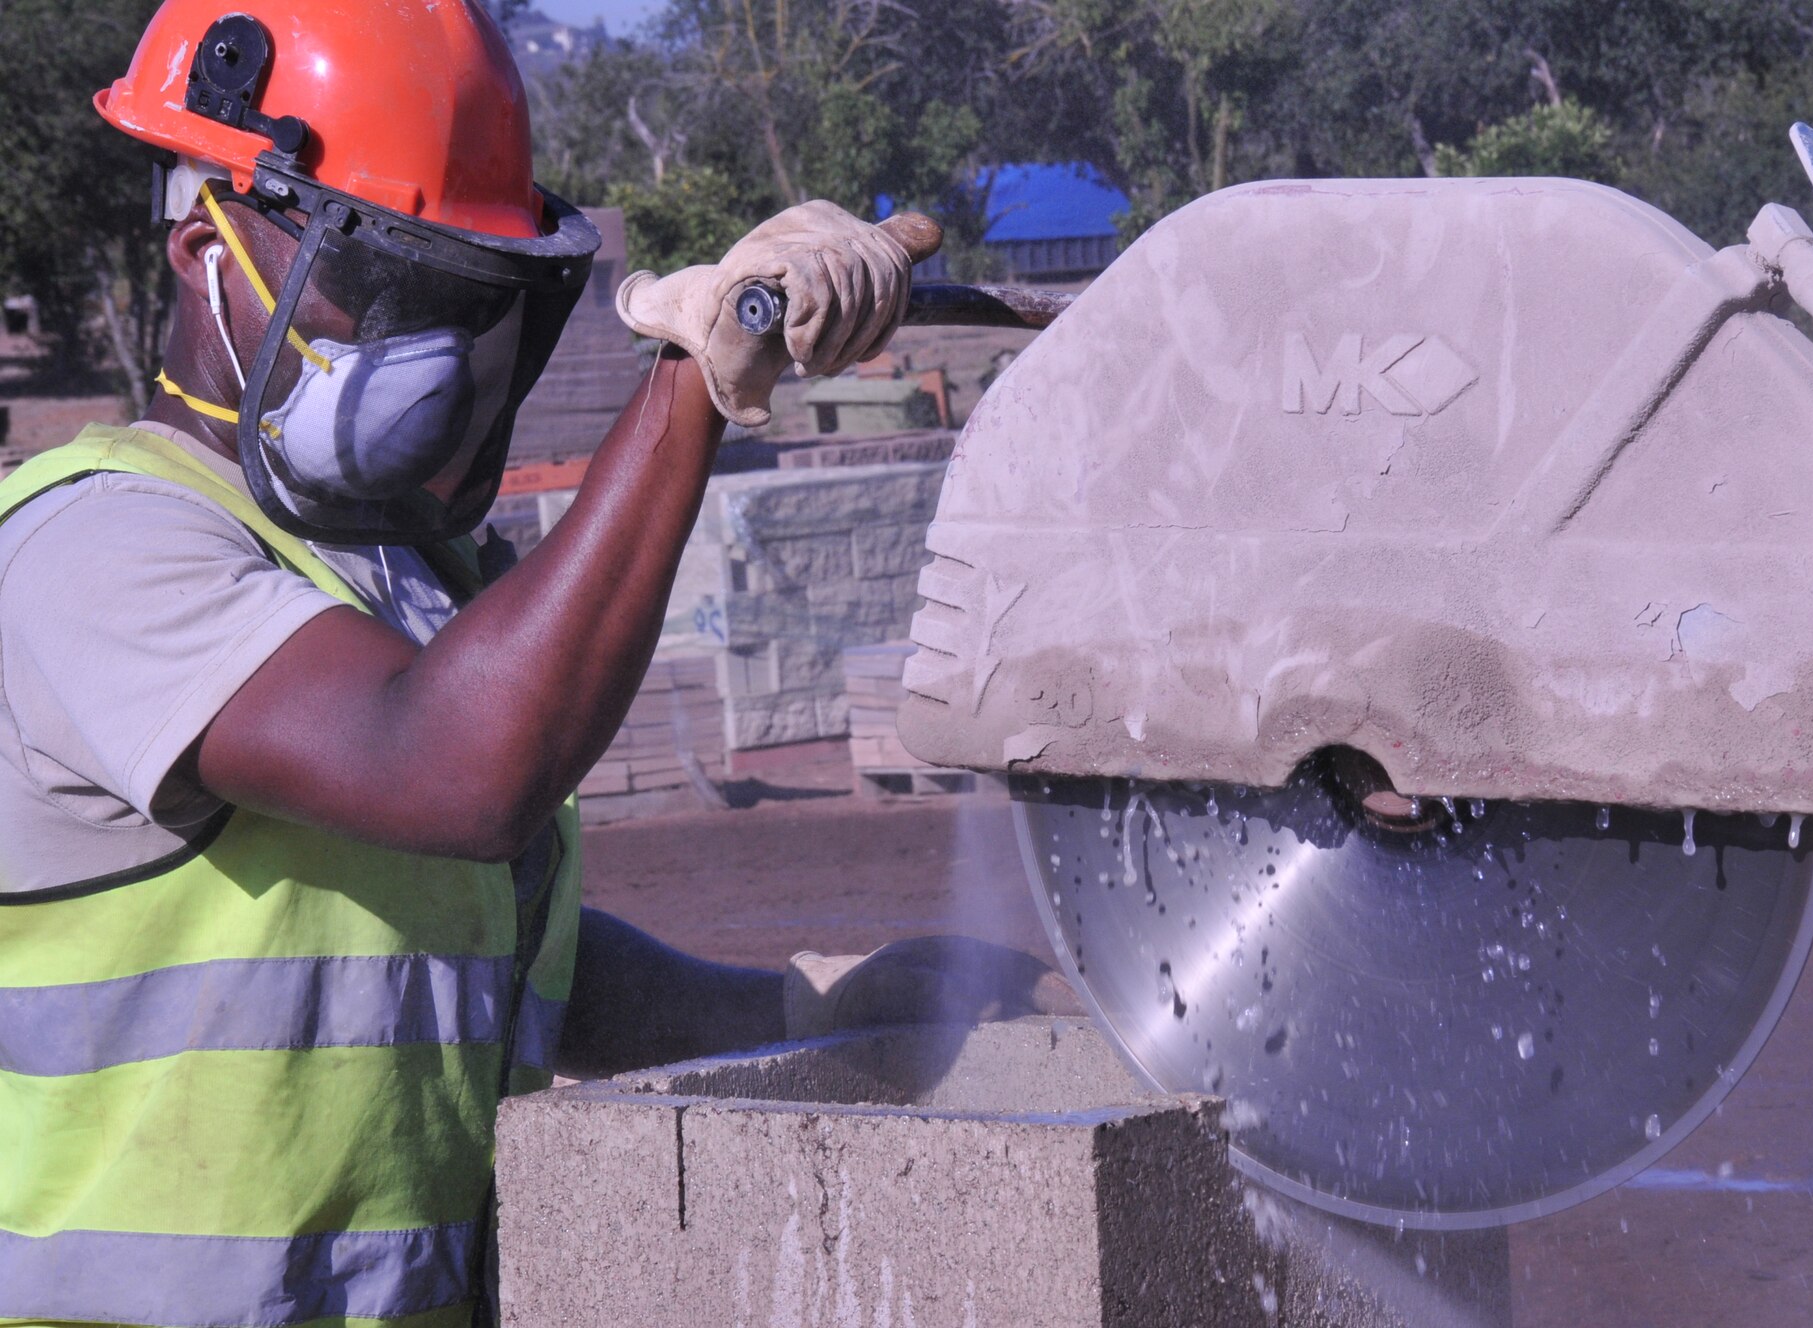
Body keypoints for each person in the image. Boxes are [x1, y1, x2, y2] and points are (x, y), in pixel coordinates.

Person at [0, 2, 1064, 1323]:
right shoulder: (94, 547)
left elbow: (467, 958)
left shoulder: (414, 579)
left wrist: (804, 1007)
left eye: (455, 299)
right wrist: (694, 384)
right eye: (376, 280)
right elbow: (457, 767)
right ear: (200, 239)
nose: (422, 348)